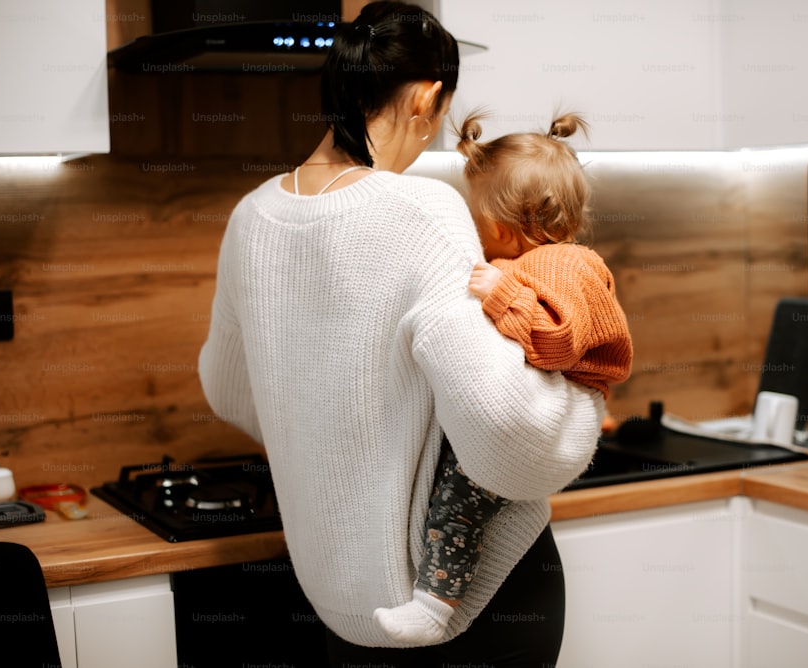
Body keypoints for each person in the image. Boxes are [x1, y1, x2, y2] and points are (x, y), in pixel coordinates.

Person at [196, 2, 604, 665]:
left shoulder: (252, 218)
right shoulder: (425, 211)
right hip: (470, 598)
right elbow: (508, 431)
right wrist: (587, 393)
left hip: (339, 599)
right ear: (428, 96)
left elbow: (229, 389)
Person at [373, 111, 633, 644]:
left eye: (474, 212)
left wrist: (499, 292)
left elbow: (558, 341)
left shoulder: (569, 265)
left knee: (457, 504)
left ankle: (434, 606)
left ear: (503, 224)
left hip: (557, 405)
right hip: (535, 403)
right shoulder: (536, 262)